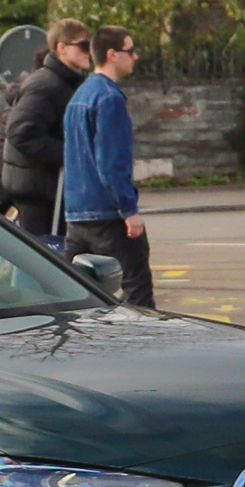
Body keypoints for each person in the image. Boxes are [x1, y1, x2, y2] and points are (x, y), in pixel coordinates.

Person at [60, 25, 155, 308]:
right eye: (130, 50)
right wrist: (129, 210)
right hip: (108, 217)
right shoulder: (110, 98)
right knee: (137, 295)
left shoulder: (79, 96)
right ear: (113, 54)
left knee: (81, 300)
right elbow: (111, 162)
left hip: (77, 217)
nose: (135, 57)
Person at [0, 19, 91, 234]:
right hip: (38, 190)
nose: (89, 52)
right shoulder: (46, 85)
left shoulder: (64, 83)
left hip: (48, 188)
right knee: (41, 256)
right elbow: (22, 132)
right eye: (83, 46)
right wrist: (70, 155)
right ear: (62, 48)